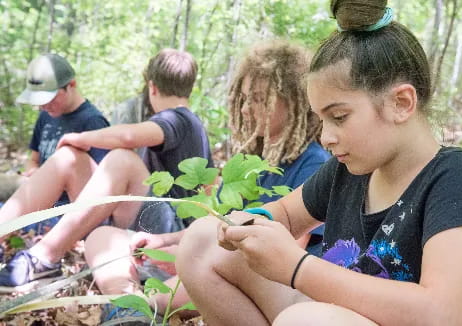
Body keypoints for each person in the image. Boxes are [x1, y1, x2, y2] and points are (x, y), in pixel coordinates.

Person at [174, 1, 462, 325]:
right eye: (321, 120)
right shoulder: (349, 170)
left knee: (305, 321)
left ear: (401, 103)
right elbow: (288, 215)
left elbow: (443, 315)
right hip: (328, 314)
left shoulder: (456, 177)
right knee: (202, 242)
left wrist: (297, 267)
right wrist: (253, 222)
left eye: (339, 117)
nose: (325, 137)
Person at [83, 40, 330, 315]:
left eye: (259, 99)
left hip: (255, 279)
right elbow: (214, 223)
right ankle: (128, 304)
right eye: (245, 98)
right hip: (209, 262)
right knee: (102, 238)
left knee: (203, 256)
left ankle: (142, 306)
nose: (247, 109)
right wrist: (165, 243)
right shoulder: (249, 162)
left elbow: (285, 259)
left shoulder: (314, 165)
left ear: (296, 100)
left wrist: (191, 253)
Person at [0, 48, 213, 288]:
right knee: (68, 158)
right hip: (142, 229)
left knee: (122, 159)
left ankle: (44, 257)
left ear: (151, 87)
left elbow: (129, 136)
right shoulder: (189, 126)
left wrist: (83, 137)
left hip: (169, 236)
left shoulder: (180, 119)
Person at [15, 53, 111, 231]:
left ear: (71, 85)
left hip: (65, 212)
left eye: (49, 99)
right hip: (38, 200)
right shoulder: (46, 115)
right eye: (39, 102)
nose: (43, 106)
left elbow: (103, 185)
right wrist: (33, 172)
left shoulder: (93, 122)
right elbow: (33, 158)